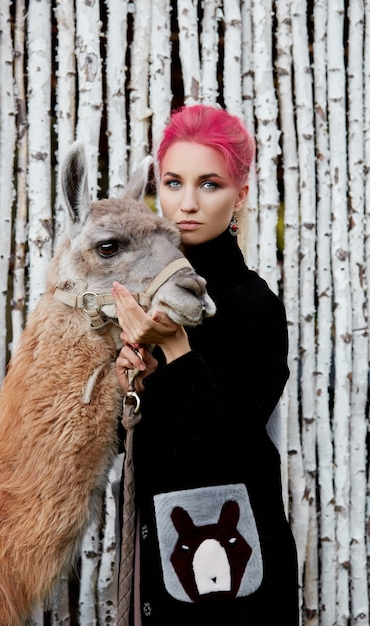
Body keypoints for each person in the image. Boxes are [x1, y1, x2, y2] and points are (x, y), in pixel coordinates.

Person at [112, 104, 299, 625]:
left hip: (233, 584)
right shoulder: (143, 304)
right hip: (156, 567)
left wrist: (175, 349)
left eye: (210, 184)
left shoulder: (254, 306)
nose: (186, 203)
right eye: (172, 182)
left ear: (240, 195)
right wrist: (127, 381)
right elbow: (126, 446)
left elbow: (226, 448)